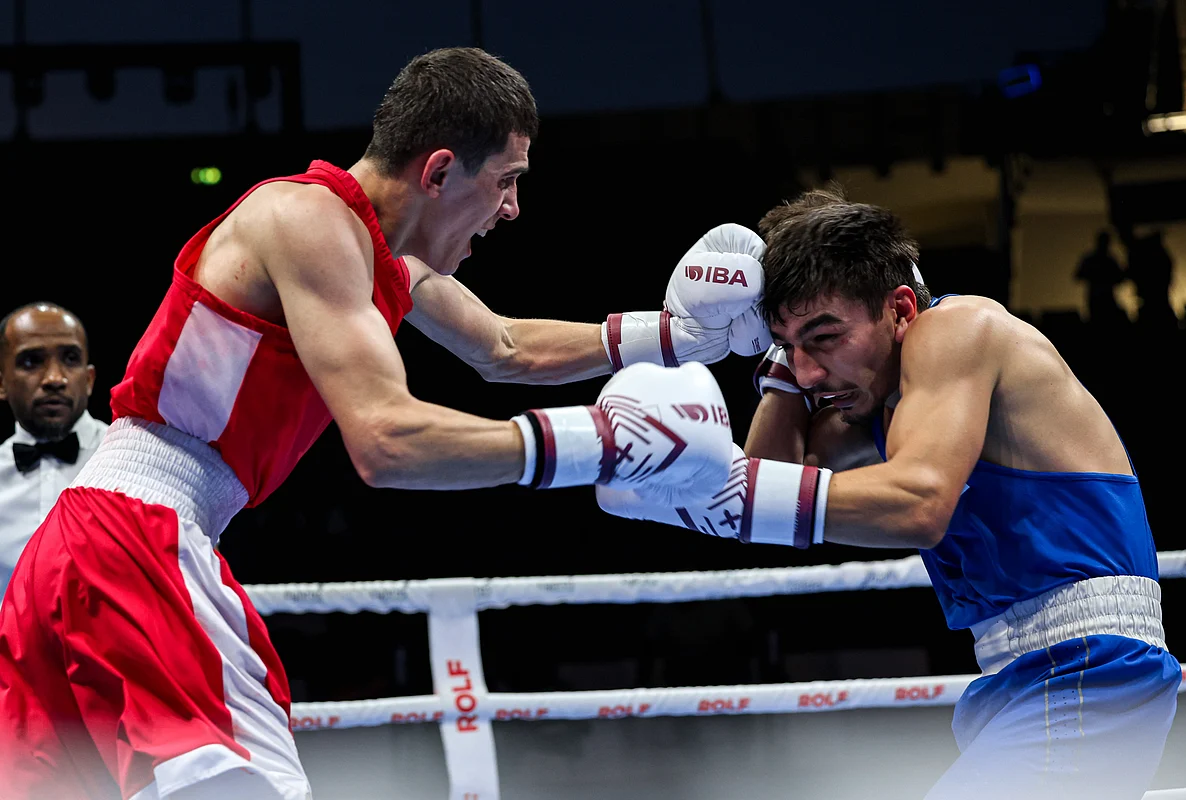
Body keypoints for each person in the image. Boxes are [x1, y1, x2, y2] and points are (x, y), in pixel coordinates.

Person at [0, 47, 762, 800]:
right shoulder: (307, 221)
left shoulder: (373, 250)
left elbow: (505, 348)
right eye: (506, 179)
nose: (511, 208)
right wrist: (604, 444)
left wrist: (677, 336)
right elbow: (386, 440)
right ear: (439, 171)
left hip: (86, 548)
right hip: (135, 538)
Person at [598, 186, 1180, 800]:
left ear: (901, 309)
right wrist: (777, 375)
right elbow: (774, 481)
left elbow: (917, 505)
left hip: (1089, 666)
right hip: (1028, 679)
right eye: (789, 345)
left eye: (825, 336)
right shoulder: (879, 406)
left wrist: (718, 494)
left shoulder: (960, 329)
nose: (809, 371)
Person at [0, 303, 108, 600]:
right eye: (31, 362)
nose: (54, 379)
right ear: (2, 382)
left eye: (70, 359)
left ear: (89, 379)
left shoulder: (134, 461)